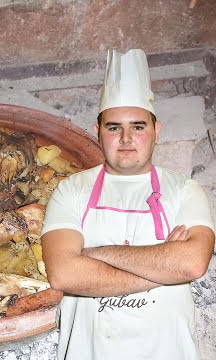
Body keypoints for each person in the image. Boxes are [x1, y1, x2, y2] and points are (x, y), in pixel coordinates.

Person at [41, 48, 215, 360]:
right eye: (113, 127)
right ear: (98, 133)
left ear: (155, 131)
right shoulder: (70, 190)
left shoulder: (185, 191)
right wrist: (161, 267)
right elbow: (64, 274)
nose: (125, 138)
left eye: (138, 126)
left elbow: (191, 264)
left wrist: (95, 255)